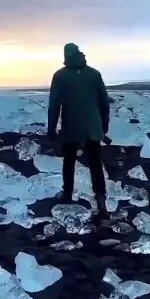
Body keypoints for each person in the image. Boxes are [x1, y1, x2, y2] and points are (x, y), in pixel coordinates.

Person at [48, 42, 109, 216]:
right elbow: (104, 103)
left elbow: (54, 106)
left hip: (71, 126)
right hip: (93, 127)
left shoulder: (60, 76)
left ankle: (67, 195)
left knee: (69, 162)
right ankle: (101, 200)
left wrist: (51, 129)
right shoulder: (94, 74)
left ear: (66, 56)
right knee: (95, 163)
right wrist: (104, 125)